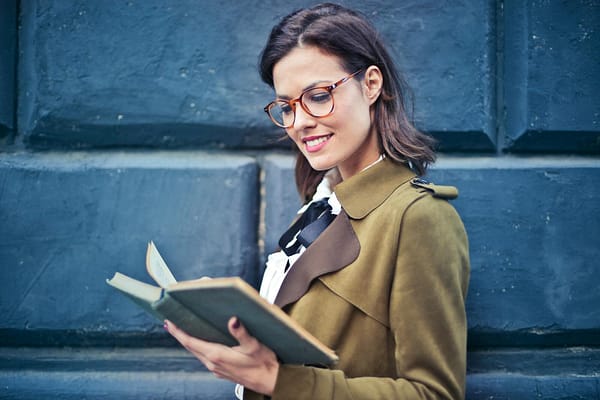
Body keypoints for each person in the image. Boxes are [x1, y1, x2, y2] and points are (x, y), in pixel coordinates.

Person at [164, 3, 470, 399]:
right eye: (287, 106)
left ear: (371, 84)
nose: (300, 122)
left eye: (319, 96)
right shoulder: (319, 206)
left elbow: (434, 394)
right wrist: (234, 323)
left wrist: (280, 381)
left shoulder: (419, 217)